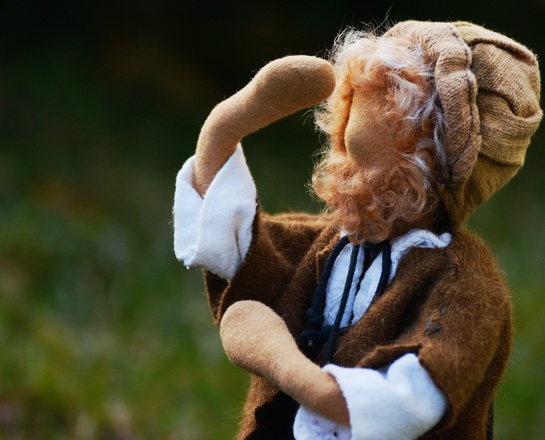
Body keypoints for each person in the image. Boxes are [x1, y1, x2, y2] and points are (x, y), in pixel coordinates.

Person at [173, 21, 542, 439]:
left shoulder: (463, 284)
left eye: (361, 153)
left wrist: (284, 364)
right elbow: (236, 247)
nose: (342, 170)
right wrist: (223, 130)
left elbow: (409, 401)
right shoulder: (335, 246)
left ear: (422, 170)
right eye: (344, 147)